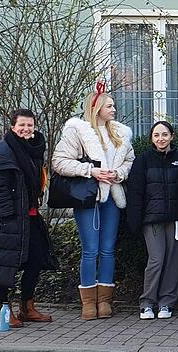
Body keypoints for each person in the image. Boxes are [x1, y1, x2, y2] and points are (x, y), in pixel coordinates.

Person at [52, 87, 134, 320]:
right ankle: (88, 302)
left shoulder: (120, 132)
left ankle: (105, 300)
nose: (114, 109)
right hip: (89, 197)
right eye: (109, 106)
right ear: (96, 108)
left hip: (112, 196)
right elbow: (59, 162)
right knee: (90, 249)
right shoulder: (77, 131)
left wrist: (118, 174)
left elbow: (130, 160)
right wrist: (92, 171)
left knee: (108, 249)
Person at [0, 109, 58, 328]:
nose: (26, 129)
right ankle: (4, 311)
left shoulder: (34, 150)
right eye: (22, 125)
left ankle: (27, 307)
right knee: (3, 265)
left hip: (30, 216)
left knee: (36, 259)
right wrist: (7, 216)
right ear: (13, 127)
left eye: (30, 125)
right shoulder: (4, 151)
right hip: (7, 220)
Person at [127, 121, 178, 320]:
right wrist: (135, 221)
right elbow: (135, 193)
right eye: (156, 135)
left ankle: (166, 303)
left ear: (172, 135)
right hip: (152, 219)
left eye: (164, 134)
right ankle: (147, 303)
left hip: (176, 219)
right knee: (156, 259)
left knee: (173, 261)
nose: (161, 138)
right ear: (151, 138)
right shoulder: (142, 160)